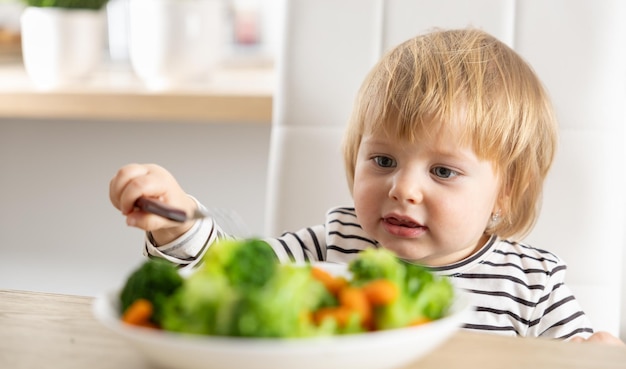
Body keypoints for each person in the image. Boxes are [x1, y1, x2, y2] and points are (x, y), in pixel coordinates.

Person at [110, 28, 622, 345]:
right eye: (382, 160)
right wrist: (175, 223)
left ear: (506, 191)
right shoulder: (336, 241)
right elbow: (230, 272)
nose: (403, 188)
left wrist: (598, 360)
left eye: (442, 171)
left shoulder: (531, 285)